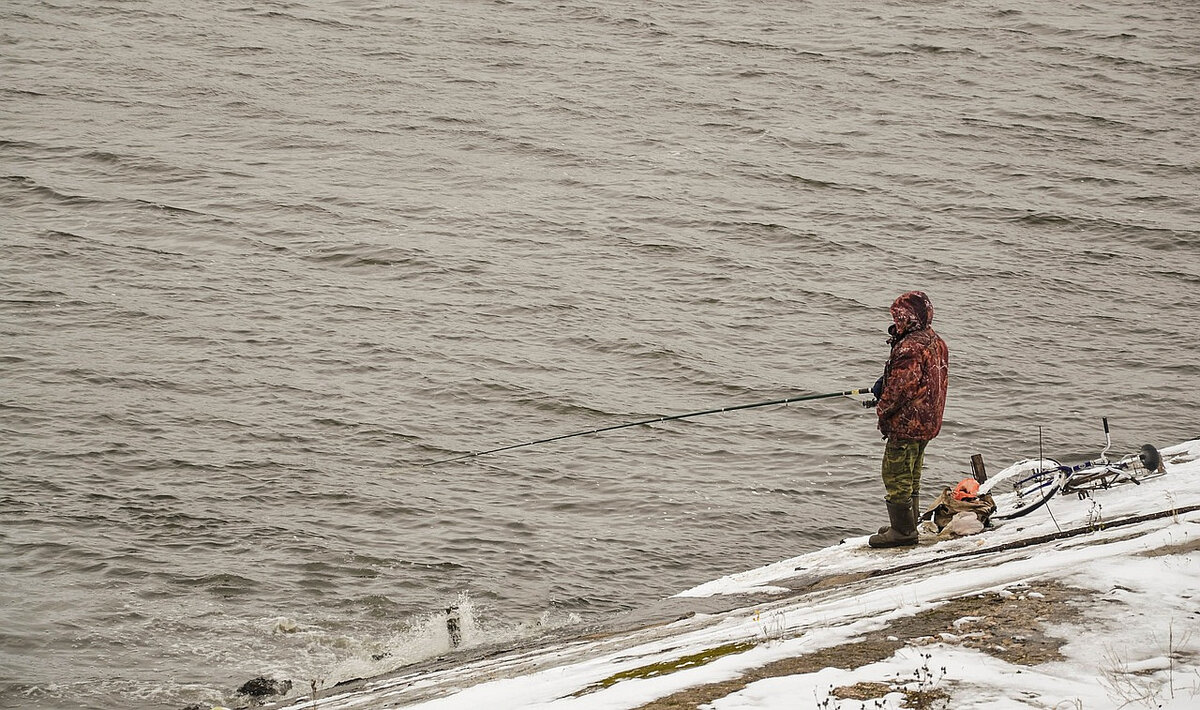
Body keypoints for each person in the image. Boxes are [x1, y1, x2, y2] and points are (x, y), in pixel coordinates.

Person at [868, 291, 949, 548]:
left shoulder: (910, 347)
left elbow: (900, 390)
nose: (896, 321)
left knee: (895, 474)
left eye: (898, 317)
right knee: (912, 473)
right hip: (928, 420)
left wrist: (882, 407)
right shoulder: (935, 341)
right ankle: (907, 523)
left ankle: (903, 532)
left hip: (908, 423)